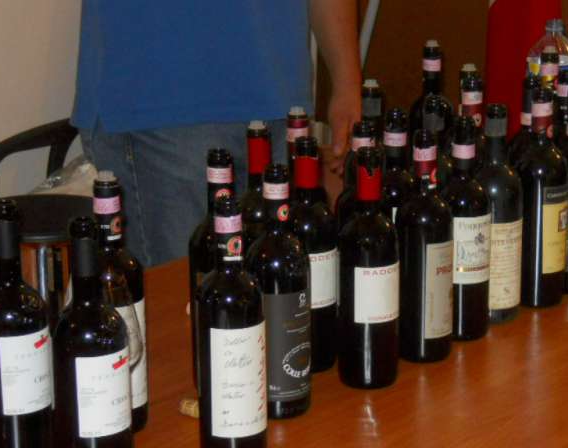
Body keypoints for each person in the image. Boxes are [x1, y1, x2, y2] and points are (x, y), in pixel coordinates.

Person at [72, 0, 361, 267]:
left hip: (276, 96)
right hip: (164, 104)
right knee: (186, 298)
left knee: (280, 297)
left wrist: (346, 81)